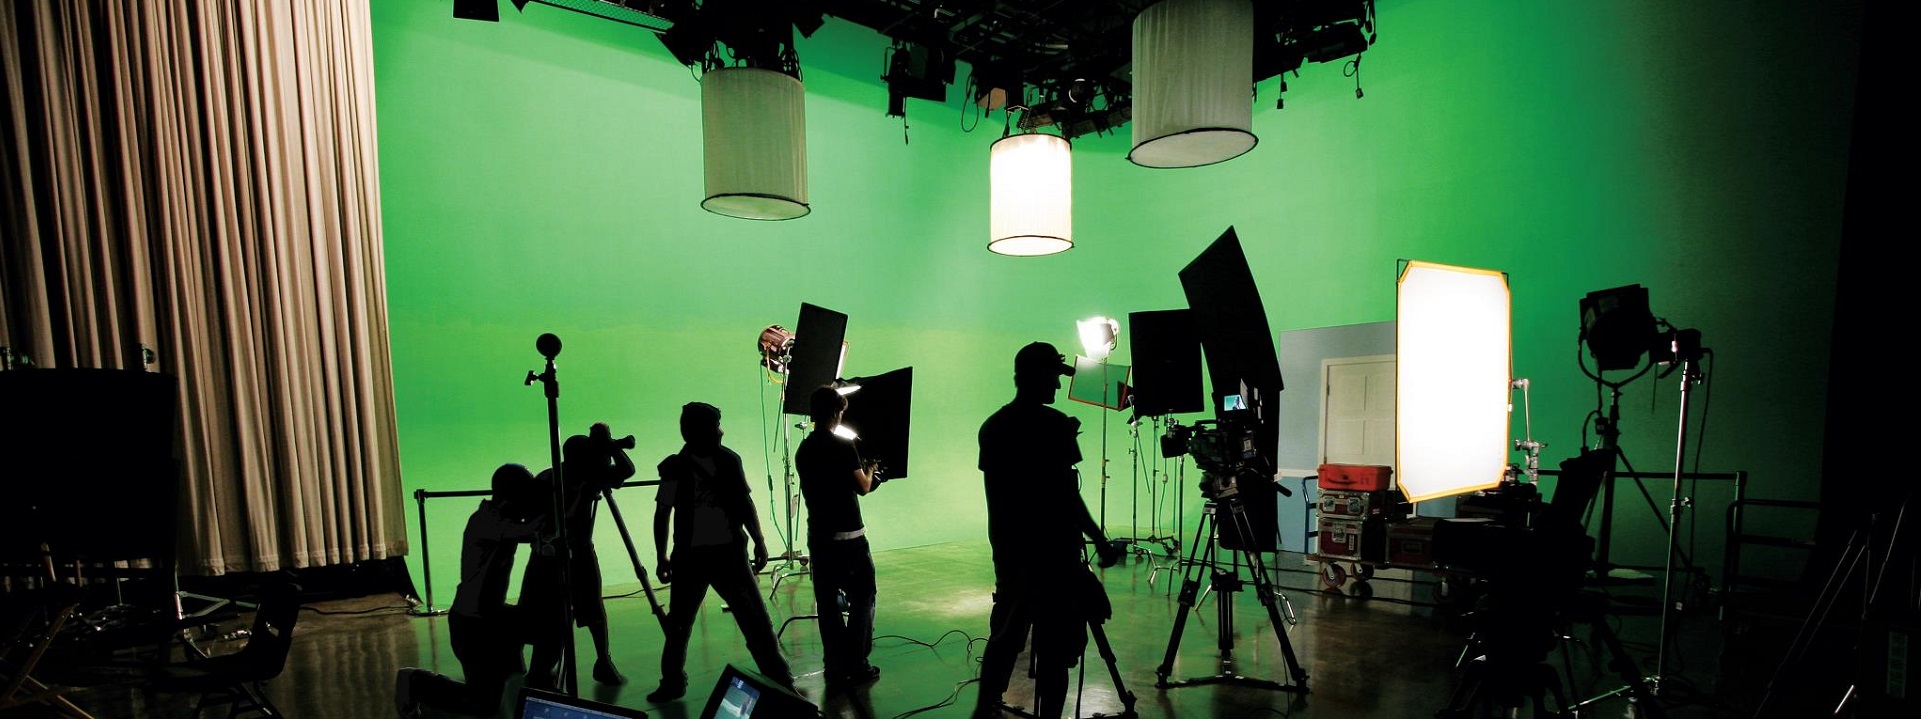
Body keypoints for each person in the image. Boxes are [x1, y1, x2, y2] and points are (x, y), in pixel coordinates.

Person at [973, 342, 1124, 719]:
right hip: (1055, 558)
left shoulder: (993, 427)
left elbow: (1002, 496)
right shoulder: (1055, 425)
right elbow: (1066, 496)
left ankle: (984, 708)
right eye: (1053, 377)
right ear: (1035, 376)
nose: (1057, 386)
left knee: (1005, 637)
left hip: (1011, 553)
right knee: (1056, 653)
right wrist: (1100, 540)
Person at [646, 401, 793, 702]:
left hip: (701, 556)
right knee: (753, 622)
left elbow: (663, 514)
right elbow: (744, 504)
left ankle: (673, 683)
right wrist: (758, 540)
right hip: (719, 556)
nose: (721, 431)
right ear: (700, 431)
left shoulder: (696, 464)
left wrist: (663, 556)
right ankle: (781, 682)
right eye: (716, 426)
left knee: (680, 626)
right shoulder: (702, 464)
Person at [395, 464, 544, 718]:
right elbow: (530, 531)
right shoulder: (487, 521)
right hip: (472, 624)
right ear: (511, 499)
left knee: (513, 677)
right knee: (483, 703)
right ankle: (416, 682)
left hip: (490, 616)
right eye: (525, 497)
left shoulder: (498, 517)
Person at [520, 422, 636, 688]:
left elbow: (627, 470)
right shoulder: (554, 481)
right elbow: (541, 523)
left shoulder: (577, 476)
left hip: (571, 552)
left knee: (591, 607)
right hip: (552, 555)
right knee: (553, 616)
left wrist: (609, 446)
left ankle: (601, 660)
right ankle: (542, 671)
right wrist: (609, 447)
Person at [795, 385, 884, 694]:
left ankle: (834, 664)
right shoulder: (844, 447)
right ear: (836, 412)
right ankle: (857, 664)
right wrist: (871, 470)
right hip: (850, 539)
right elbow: (863, 487)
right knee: (863, 596)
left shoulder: (804, 450)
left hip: (820, 538)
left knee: (828, 604)